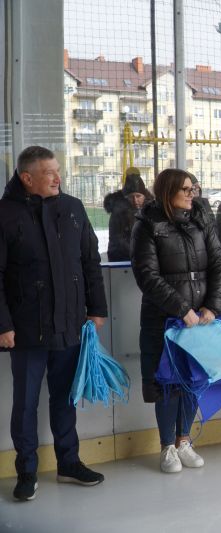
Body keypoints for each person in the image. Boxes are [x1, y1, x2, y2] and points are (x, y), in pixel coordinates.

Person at [0, 146, 108, 501]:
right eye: (49, 173)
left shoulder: (73, 209)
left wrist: (97, 309)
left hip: (71, 324)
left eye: (58, 171)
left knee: (65, 398)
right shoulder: (4, 214)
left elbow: (91, 262)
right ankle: (26, 471)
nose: (58, 178)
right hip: (27, 329)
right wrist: (3, 324)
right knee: (25, 403)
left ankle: (68, 463)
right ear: (27, 178)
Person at [130, 168, 221, 473]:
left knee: (193, 381)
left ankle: (184, 440)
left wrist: (213, 306)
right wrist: (180, 308)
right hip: (165, 320)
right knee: (167, 383)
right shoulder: (147, 224)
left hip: (201, 319)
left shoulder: (201, 219)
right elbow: (147, 275)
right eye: (185, 189)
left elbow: (218, 265)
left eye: (192, 189)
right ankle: (167, 447)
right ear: (167, 192)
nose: (191, 194)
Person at [104, 167, 153, 262]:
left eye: (138, 196)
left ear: (144, 196)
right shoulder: (118, 212)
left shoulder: (151, 211)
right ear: (126, 198)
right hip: (121, 259)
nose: (135, 200)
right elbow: (118, 240)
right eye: (131, 197)